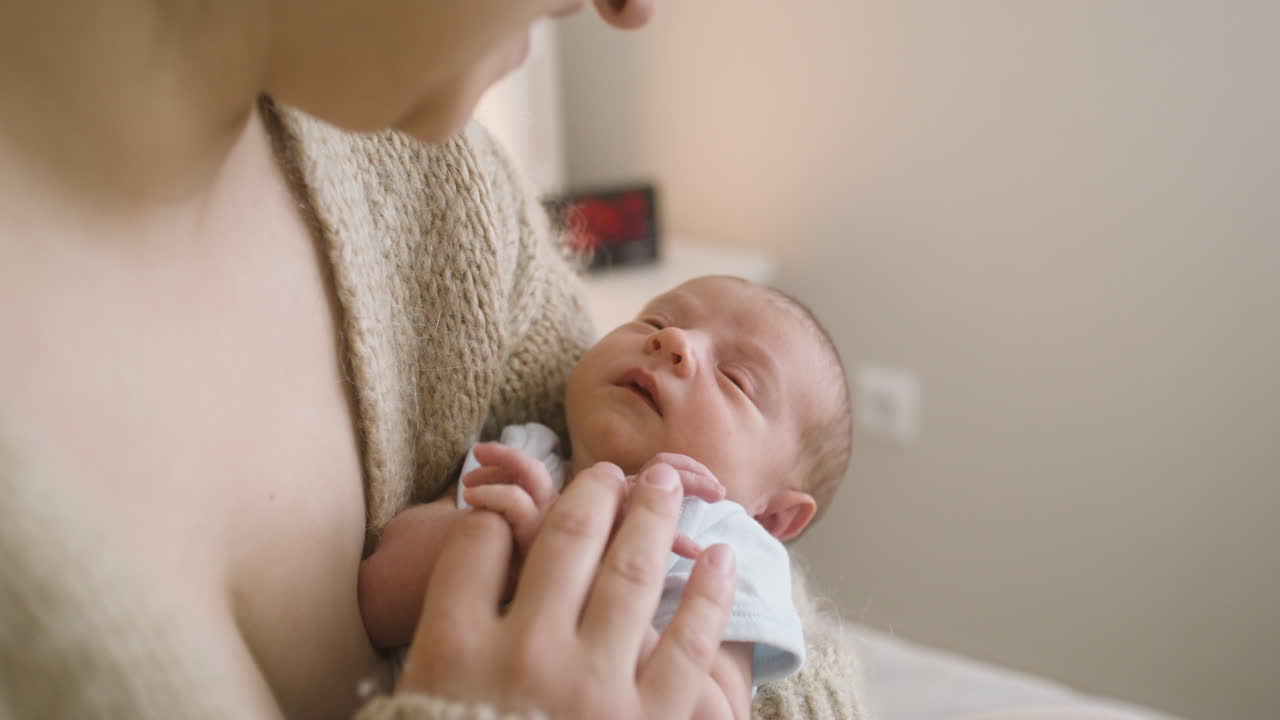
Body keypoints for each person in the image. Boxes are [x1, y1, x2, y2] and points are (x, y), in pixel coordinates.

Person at [0, 1, 867, 718]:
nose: (633, 11)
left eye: (737, 376)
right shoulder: (532, 443)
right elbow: (391, 580)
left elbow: (782, 664)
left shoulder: (443, 189)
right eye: (656, 319)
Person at [360, 275, 854, 719]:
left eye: (736, 380)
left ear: (771, 516)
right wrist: (519, 550)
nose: (673, 340)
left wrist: (583, 561)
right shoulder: (526, 455)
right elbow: (377, 592)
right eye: (655, 320)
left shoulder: (724, 545)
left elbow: (714, 709)